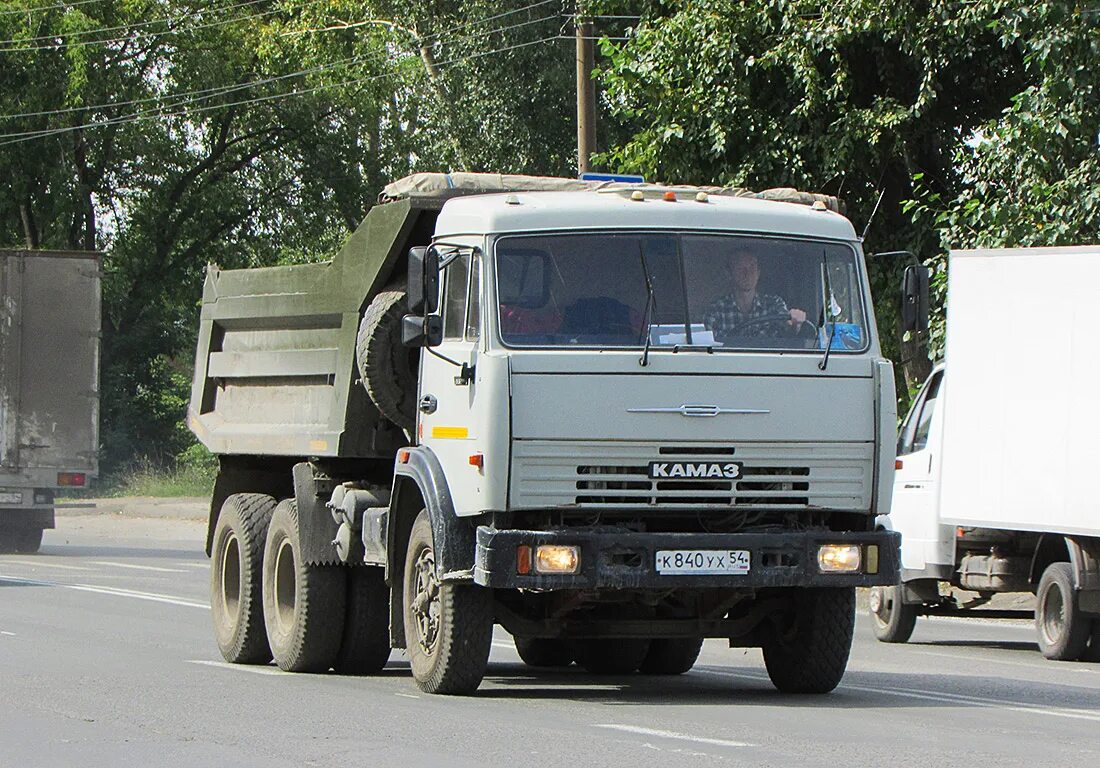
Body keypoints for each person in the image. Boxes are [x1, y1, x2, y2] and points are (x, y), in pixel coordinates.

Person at [704, 250, 807, 342]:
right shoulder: (716, 310)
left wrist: (795, 322)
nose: (747, 273)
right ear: (729, 274)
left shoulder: (774, 304)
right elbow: (707, 346)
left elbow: (788, 329)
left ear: (758, 273)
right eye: (740, 268)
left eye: (752, 267)